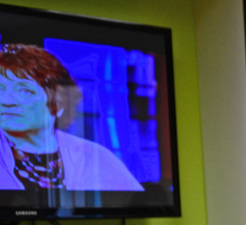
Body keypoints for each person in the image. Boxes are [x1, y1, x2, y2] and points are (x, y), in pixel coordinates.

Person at [0, 44, 142, 191]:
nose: (6, 101)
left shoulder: (95, 157)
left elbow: (135, 203)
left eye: (25, 91)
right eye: (0, 90)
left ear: (58, 102)